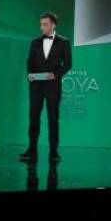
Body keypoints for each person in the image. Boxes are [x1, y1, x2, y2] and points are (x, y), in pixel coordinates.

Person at [19, 12, 72, 163]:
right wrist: (30, 75)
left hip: (53, 87)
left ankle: (54, 151)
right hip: (36, 86)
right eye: (41, 24)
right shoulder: (34, 42)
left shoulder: (64, 42)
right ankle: (32, 149)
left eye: (45, 24)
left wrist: (54, 75)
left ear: (53, 25)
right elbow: (30, 62)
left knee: (53, 119)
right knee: (33, 118)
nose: (41, 27)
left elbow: (68, 64)